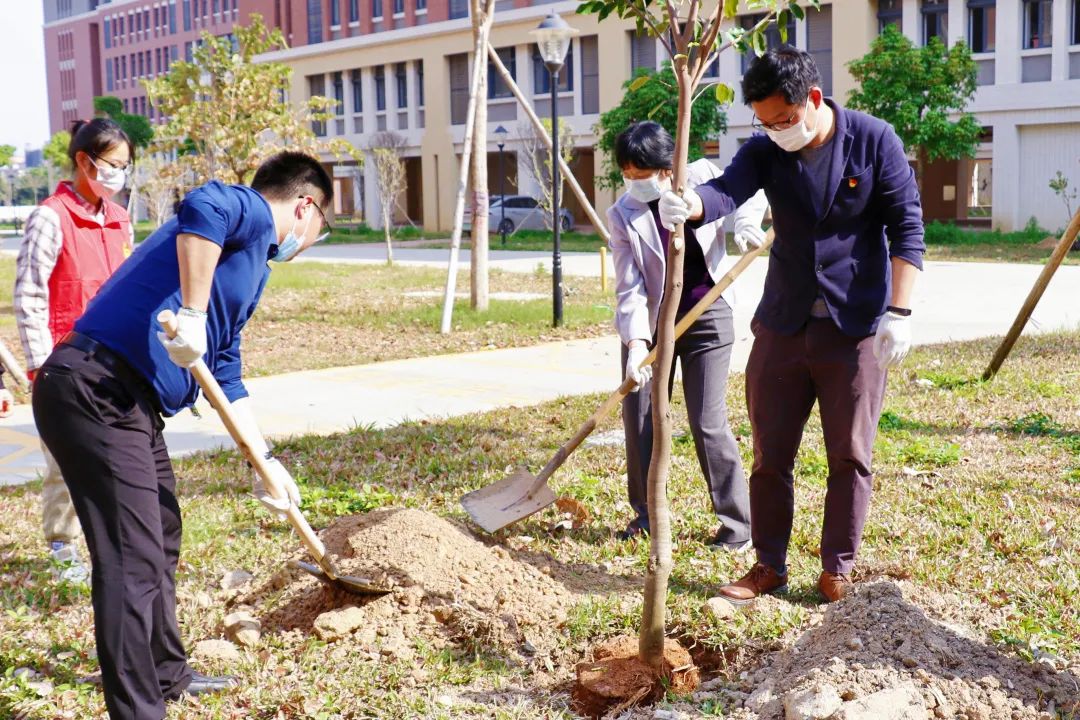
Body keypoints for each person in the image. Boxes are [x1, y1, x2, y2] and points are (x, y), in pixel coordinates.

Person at [32, 151, 334, 720]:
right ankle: (138, 709)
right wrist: (191, 313)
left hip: (129, 401)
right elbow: (204, 202)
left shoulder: (251, 266)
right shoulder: (247, 212)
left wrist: (264, 460)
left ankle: (168, 674)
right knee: (130, 557)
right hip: (93, 385)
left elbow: (224, 368)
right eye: (322, 228)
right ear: (305, 206)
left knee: (161, 531)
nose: (313, 240)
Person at [658, 47, 924, 603]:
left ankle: (837, 568)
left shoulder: (875, 141)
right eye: (765, 122)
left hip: (854, 328)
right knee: (769, 450)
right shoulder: (765, 150)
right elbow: (727, 189)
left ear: (814, 101)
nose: (777, 131)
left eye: (784, 120)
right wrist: (691, 204)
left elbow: (907, 228)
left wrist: (899, 312)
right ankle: (769, 565)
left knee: (850, 453)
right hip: (783, 321)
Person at [608, 121, 768, 547]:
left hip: (708, 314)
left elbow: (747, 194)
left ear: (666, 168)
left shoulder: (701, 176)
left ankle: (738, 526)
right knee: (638, 414)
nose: (634, 184)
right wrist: (636, 344)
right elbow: (629, 285)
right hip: (654, 322)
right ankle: (645, 515)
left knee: (707, 420)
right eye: (628, 175)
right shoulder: (623, 213)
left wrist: (747, 226)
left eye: (642, 175)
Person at [15, 118, 136, 584]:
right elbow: (29, 295)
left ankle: (113, 541)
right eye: (113, 165)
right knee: (65, 460)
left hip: (116, 360)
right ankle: (62, 543)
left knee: (117, 457)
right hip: (64, 362)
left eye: (126, 167)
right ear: (84, 161)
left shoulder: (120, 218)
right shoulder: (50, 218)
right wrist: (40, 367)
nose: (119, 175)